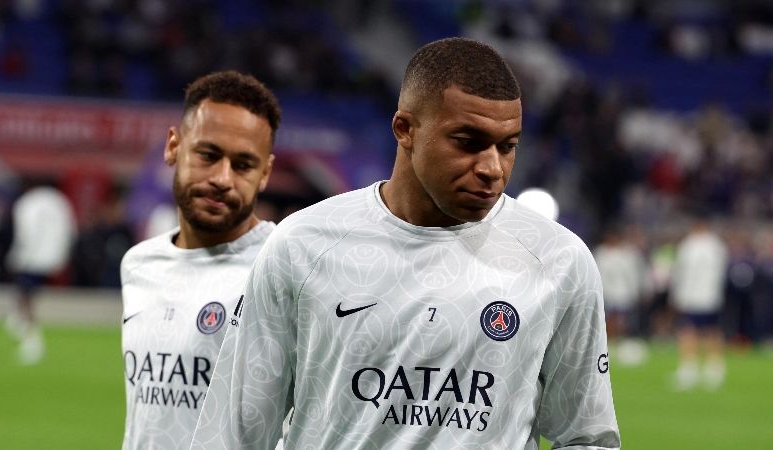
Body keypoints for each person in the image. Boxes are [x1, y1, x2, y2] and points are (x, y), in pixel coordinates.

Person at [192, 38, 620, 449]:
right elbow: (234, 432)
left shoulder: (558, 260)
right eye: (468, 143)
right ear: (405, 129)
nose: (492, 167)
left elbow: (586, 437)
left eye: (507, 147)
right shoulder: (304, 246)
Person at [120, 70, 281, 449]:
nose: (222, 178)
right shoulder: (140, 263)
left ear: (265, 174)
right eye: (208, 155)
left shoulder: (284, 267)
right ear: (174, 146)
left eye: (243, 165)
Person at [5, 178, 76, 365]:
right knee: (28, 295)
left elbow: (25, 232)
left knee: (26, 296)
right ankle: (21, 324)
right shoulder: (60, 201)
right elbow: (70, 229)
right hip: (52, 256)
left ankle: (30, 336)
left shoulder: (26, 203)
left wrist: (17, 256)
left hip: (31, 257)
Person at [669, 217, 729, 391]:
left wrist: (677, 295)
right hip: (711, 295)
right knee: (711, 330)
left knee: (688, 330)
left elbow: (680, 272)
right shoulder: (717, 245)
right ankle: (714, 368)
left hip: (693, 295)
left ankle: (689, 368)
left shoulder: (688, 245)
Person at [594, 224, 650, 366]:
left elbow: (634, 274)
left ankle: (620, 345)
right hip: (606, 293)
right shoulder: (601, 254)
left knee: (622, 321)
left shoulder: (628, 255)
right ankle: (609, 345)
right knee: (608, 321)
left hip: (623, 293)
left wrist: (637, 291)